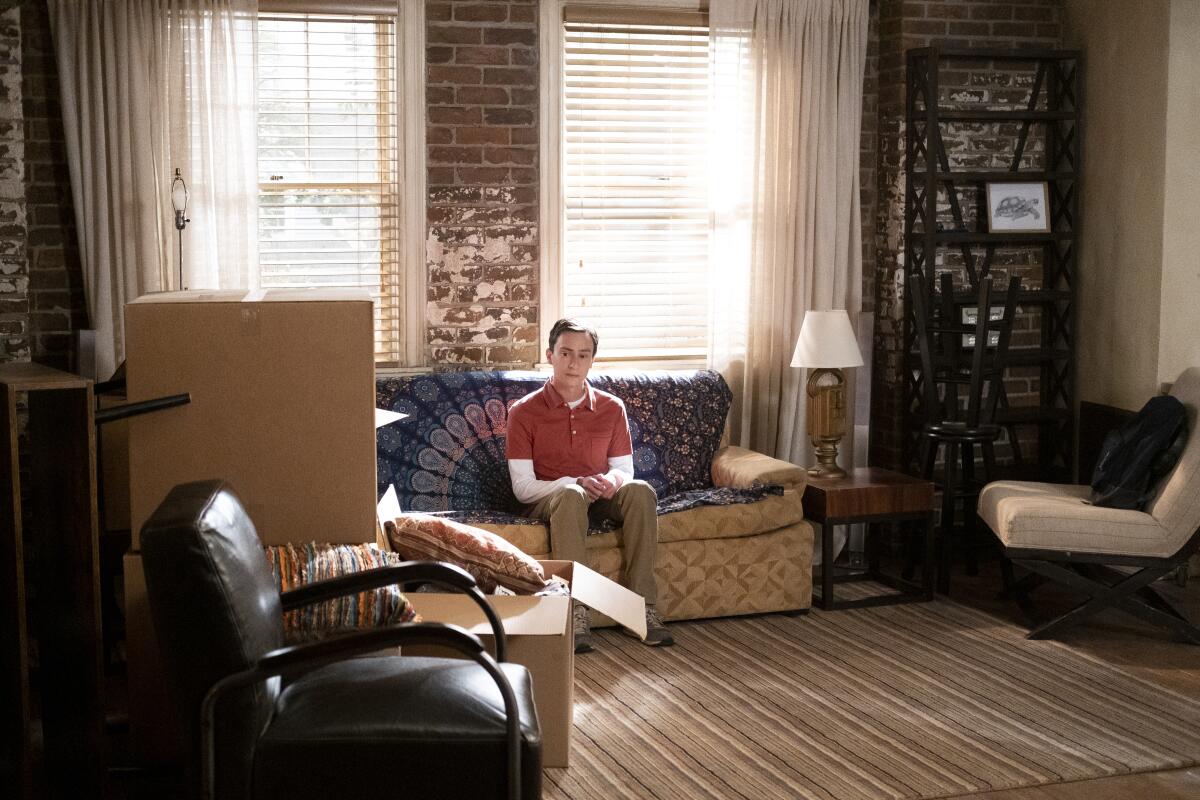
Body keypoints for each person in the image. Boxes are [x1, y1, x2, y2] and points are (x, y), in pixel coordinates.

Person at [505, 318, 673, 653]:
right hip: (554, 499)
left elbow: (625, 470)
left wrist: (611, 481)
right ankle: (575, 612)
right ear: (550, 355)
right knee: (571, 495)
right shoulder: (523, 412)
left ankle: (641, 609)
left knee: (640, 490)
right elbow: (523, 488)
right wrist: (576, 482)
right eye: (566, 353)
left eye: (583, 355)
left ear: (592, 360)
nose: (574, 362)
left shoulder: (612, 407)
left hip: (600, 496)